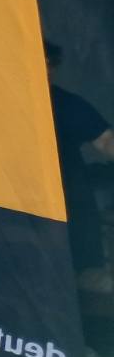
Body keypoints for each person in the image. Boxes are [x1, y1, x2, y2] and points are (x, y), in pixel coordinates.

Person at [44, 40, 114, 292]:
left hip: (69, 202)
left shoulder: (63, 103)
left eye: (50, 63)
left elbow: (105, 140)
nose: (47, 69)